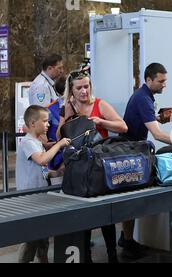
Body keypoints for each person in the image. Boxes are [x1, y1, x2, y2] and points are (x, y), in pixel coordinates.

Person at [59, 69, 128, 263]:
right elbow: (59, 137)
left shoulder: (100, 104)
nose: (84, 91)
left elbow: (123, 127)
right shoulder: (68, 107)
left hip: (99, 165)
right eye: (79, 88)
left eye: (86, 86)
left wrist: (101, 122)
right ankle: (86, 257)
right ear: (71, 90)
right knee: (84, 216)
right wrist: (69, 116)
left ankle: (112, 256)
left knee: (106, 214)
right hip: (78, 167)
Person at [119, 63, 172, 259]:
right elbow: (156, 134)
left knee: (131, 199)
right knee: (130, 200)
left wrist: (158, 118)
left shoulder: (145, 97)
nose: (164, 85)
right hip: (130, 153)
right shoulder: (143, 98)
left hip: (134, 150)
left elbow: (149, 122)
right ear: (148, 80)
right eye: (161, 81)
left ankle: (127, 238)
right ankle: (128, 240)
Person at [16, 105, 71, 263]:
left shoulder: (36, 143)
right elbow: (41, 160)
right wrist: (58, 144)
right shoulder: (27, 142)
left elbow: (39, 170)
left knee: (42, 237)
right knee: (30, 238)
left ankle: (43, 259)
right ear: (33, 123)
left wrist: (56, 173)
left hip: (39, 197)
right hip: (29, 199)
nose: (48, 124)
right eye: (45, 121)